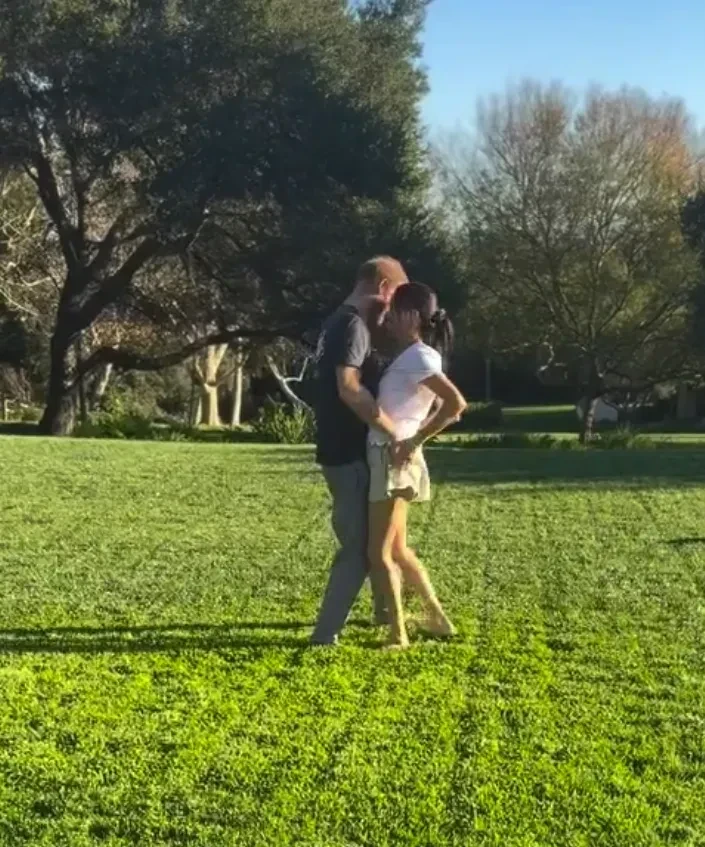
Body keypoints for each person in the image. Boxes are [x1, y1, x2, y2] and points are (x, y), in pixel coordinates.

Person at [310, 256, 409, 646]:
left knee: (372, 542)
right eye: (395, 297)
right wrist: (392, 430)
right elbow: (349, 387)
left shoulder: (337, 321)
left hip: (338, 449)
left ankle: (384, 612)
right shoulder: (352, 326)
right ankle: (325, 633)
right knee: (358, 549)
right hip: (348, 453)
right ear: (383, 286)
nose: (395, 310)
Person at [367, 282, 467, 649]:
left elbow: (455, 405)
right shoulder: (419, 356)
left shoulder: (419, 358)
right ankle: (437, 619)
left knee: (378, 553)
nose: (388, 319)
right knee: (398, 549)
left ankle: (399, 634)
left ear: (412, 316)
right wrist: (413, 437)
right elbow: (438, 406)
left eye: (394, 311)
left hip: (391, 458)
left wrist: (412, 440)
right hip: (394, 456)